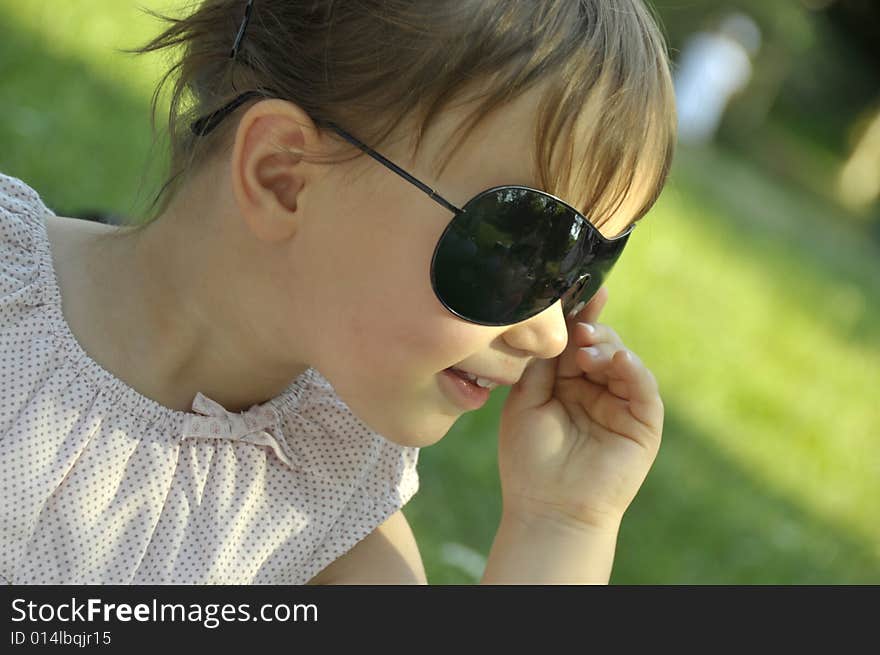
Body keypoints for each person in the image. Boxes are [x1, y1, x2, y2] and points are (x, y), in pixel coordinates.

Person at [0, 0, 675, 585]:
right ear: (283, 176)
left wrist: (561, 522)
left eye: (587, 267)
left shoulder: (327, 514)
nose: (551, 331)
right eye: (520, 248)